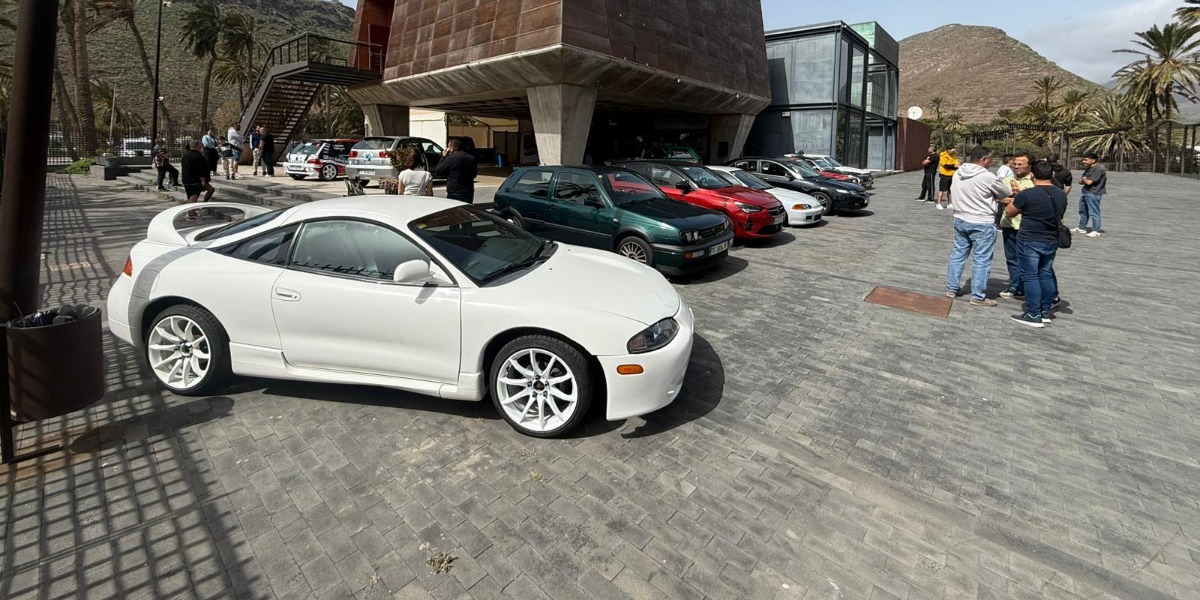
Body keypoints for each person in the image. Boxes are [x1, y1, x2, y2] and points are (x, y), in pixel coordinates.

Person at [945, 146, 1012, 306]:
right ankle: (977, 296)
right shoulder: (987, 176)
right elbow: (1005, 193)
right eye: (990, 160)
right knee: (982, 259)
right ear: (983, 159)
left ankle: (952, 288)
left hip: (960, 218)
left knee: (958, 254)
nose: (991, 163)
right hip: (982, 221)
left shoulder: (958, 172)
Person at [1005, 160, 1067, 328]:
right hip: (1051, 239)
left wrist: (1015, 197)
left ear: (1032, 173)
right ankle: (1045, 311)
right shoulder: (1061, 194)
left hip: (1029, 239)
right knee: (1045, 273)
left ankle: (1033, 313)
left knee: (1030, 276)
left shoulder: (1028, 194)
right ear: (1052, 174)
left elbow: (1010, 212)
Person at [998, 153, 1034, 300]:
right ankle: (1015, 287)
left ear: (1029, 165)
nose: (1016, 167)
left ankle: (1029, 286)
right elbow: (998, 197)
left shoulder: (1034, 182)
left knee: (1028, 259)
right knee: (1011, 258)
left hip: (1025, 226)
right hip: (1008, 224)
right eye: (1015, 164)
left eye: (1020, 164)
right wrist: (1016, 198)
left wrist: (1012, 198)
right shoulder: (1006, 180)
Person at [435, 138, 477, 203]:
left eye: (448, 147)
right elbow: (474, 174)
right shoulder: (471, 158)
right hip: (468, 191)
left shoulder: (451, 158)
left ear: (452, 148)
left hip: (455, 191)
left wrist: (443, 157)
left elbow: (438, 171)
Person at [181, 140, 215, 221]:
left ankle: (202, 205)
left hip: (187, 179)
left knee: (210, 190)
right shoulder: (197, 156)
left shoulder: (186, 155)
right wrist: (202, 180)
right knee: (193, 196)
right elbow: (200, 170)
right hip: (195, 180)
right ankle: (191, 214)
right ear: (197, 146)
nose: (202, 146)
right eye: (200, 145)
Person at [1076, 152, 1106, 238]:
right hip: (1086, 192)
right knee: (1083, 211)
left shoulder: (1099, 169)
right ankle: (1081, 227)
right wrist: (1084, 179)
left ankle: (1096, 231)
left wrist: (1084, 179)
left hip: (1094, 193)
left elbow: (1089, 182)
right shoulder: (1089, 168)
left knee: (1094, 212)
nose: (1083, 161)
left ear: (1093, 160)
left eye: (1086, 160)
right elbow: (1080, 181)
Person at [935, 146, 960, 210]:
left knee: (950, 190)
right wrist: (954, 166)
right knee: (942, 190)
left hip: (952, 175)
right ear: (948, 150)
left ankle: (949, 203)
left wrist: (954, 166)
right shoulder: (943, 156)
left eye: (954, 150)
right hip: (944, 174)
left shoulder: (954, 157)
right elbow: (945, 166)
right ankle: (939, 204)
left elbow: (957, 165)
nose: (953, 152)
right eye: (952, 150)